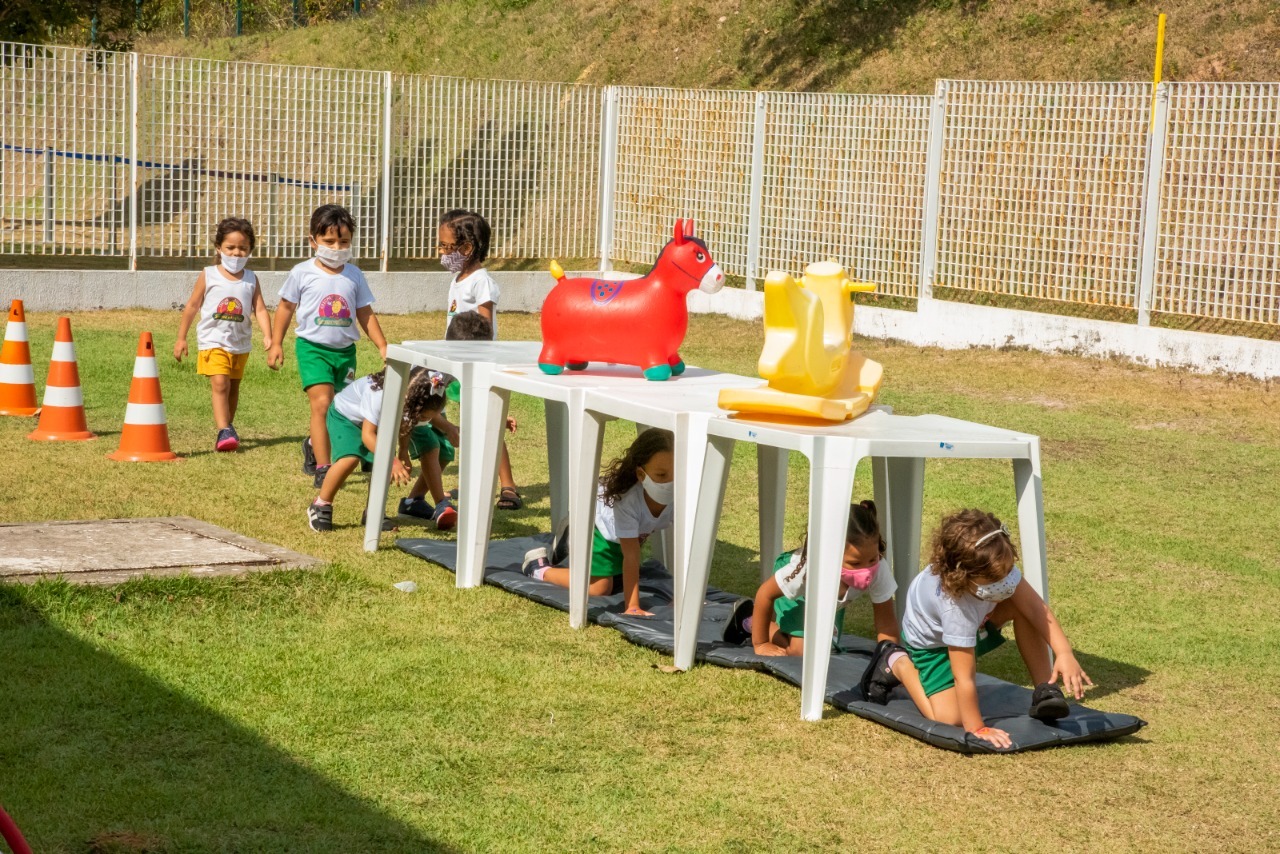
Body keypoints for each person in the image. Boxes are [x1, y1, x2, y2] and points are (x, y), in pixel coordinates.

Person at [897, 508, 1094, 748]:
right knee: (950, 718)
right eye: (994, 580)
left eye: (1008, 572)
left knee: (1022, 608)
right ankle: (898, 663)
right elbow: (964, 678)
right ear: (963, 576)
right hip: (933, 649)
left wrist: (1064, 653)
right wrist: (977, 727)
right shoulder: (954, 608)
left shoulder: (996, 563)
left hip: (974, 625)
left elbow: (1035, 609)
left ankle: (1046, 690)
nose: (1005, 583)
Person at [725, 501, 928, 708]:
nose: (866, 570)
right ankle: (749, 620)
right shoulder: (804, 571)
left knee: (825, 648)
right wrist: (760, 644)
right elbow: (765, 594)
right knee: (801, 653)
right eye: (855, 564)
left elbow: (886, 624)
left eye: (872, 559)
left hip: (831, 599)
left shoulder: (879, 568)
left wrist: (888, 662)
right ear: (830, 554)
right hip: (799, 596)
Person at [268, 204, 388, 488]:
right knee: (322, 404)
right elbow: (285, 308)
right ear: (313, 241)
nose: (337, 247)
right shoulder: (301, 272)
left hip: (345, 353)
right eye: (329, 241)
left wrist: (383, 345)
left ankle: (313, 443)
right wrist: (276, 343)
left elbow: (365, 313)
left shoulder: (355, 275)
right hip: (313, 349)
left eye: (343, 242)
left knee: (342, 409)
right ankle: (324, 467)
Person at [521, 428, 674, 616]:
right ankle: (538, 568)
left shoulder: (681, 496)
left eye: (677, 474)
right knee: (600, 588)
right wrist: (633, 607)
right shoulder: (626, 502)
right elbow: (631, 556)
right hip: (600, 528)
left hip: (625, 537)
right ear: (641, 475)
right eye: (661, 475)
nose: (670, 483)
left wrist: (683, 598)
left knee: (619, 577)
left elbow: (687, 547)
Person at [306, 366, 454, 533]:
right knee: (350, 459)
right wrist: (392, 460)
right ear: (411, 401)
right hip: (346, 417)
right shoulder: (380, 396)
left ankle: (373, 513)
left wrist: (403, 451)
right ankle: (320, 504)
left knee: (382, 463)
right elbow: (368, 435)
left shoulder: (410, 398)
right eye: (425, 417)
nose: (426, 421)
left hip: (373, 423)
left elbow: (407, 422)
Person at [173, 217, 272, 452]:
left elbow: (259, 308)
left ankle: (228, 425)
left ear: (250, 250)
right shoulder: (209, 274)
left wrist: (268, 335)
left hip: (240, 343)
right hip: (212, 341)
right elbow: (192, 305)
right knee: (220, 383)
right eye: (230, 248)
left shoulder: (251, 279)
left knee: (233, 387)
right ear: (219, 248)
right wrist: (181, 337)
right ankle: (223, 430)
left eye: (243, 248)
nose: (236, 253)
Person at [440, 310, 521, 509]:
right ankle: (469, 484)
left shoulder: (481, 282)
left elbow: (485, 314)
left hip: (476, 360)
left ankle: (508, 485)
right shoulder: (443, 367)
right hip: (463, 357)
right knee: (466, 427)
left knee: (487, 421)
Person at [438, 209, 499, 339]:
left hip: (473, 355)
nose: (442, 251)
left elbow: (486, 330)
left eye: (445, 246)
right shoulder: (457, 280)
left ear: (466, 248)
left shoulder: (481, 282)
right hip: (457, 353)